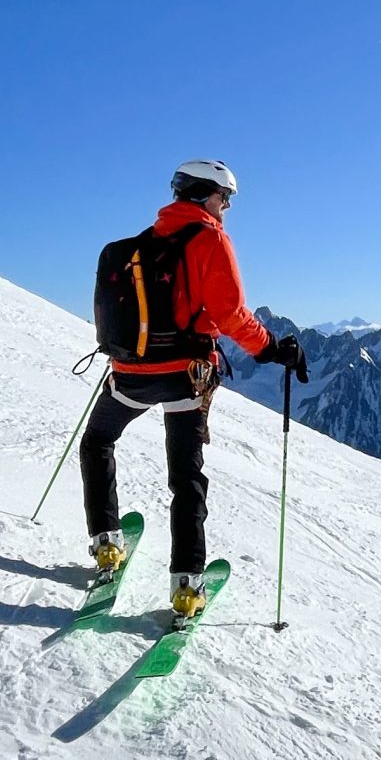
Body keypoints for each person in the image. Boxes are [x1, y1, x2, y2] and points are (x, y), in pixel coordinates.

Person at [81, 159, 303, 616]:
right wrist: (272, 349)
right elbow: (231, 315)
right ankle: (186, 587)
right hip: (185, 377)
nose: (227, 207)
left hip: (129, 375)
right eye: (227, 198)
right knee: (186, 478)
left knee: (98, 441)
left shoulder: (139, 245)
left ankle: (105, 544)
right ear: (208, 194)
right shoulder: (210, 239)